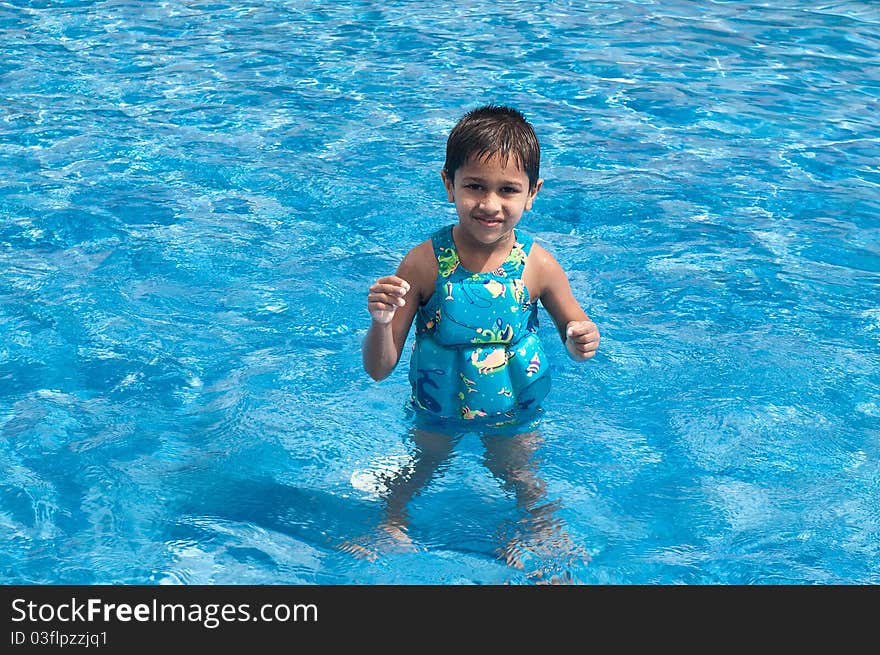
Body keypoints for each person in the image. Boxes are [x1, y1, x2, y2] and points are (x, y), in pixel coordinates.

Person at [356, 105, 599, 579]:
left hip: (514, 409)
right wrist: (381, 322)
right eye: (475, 186)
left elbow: (577, 331)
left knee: (524, 479)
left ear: (532, 194)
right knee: (417, 470)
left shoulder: (539, 266)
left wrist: (580, 341)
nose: (490, 203)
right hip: (437, 408)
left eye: (508, 189)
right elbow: (379, 369)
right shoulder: (424, 264)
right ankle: (390, 524)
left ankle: (540, 532)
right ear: (449, 184)